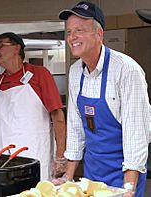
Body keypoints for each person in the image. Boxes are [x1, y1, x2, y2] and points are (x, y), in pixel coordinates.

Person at [56, 1, 150, 197]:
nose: (72, 37)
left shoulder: (126, 70)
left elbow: (136, 134)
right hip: (92, 174)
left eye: (79, 30)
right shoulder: (75, 72)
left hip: (123, 174)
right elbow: (75, 128)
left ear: (99, 34)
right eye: (69, 31)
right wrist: (67, 178)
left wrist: (128, 188)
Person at [0, 32, 67, 181]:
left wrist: (60, 158)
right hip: (3, 161)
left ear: (17, 49)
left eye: (1, 45)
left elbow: (58, 117)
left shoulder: (40, 75)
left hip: (36, 158)